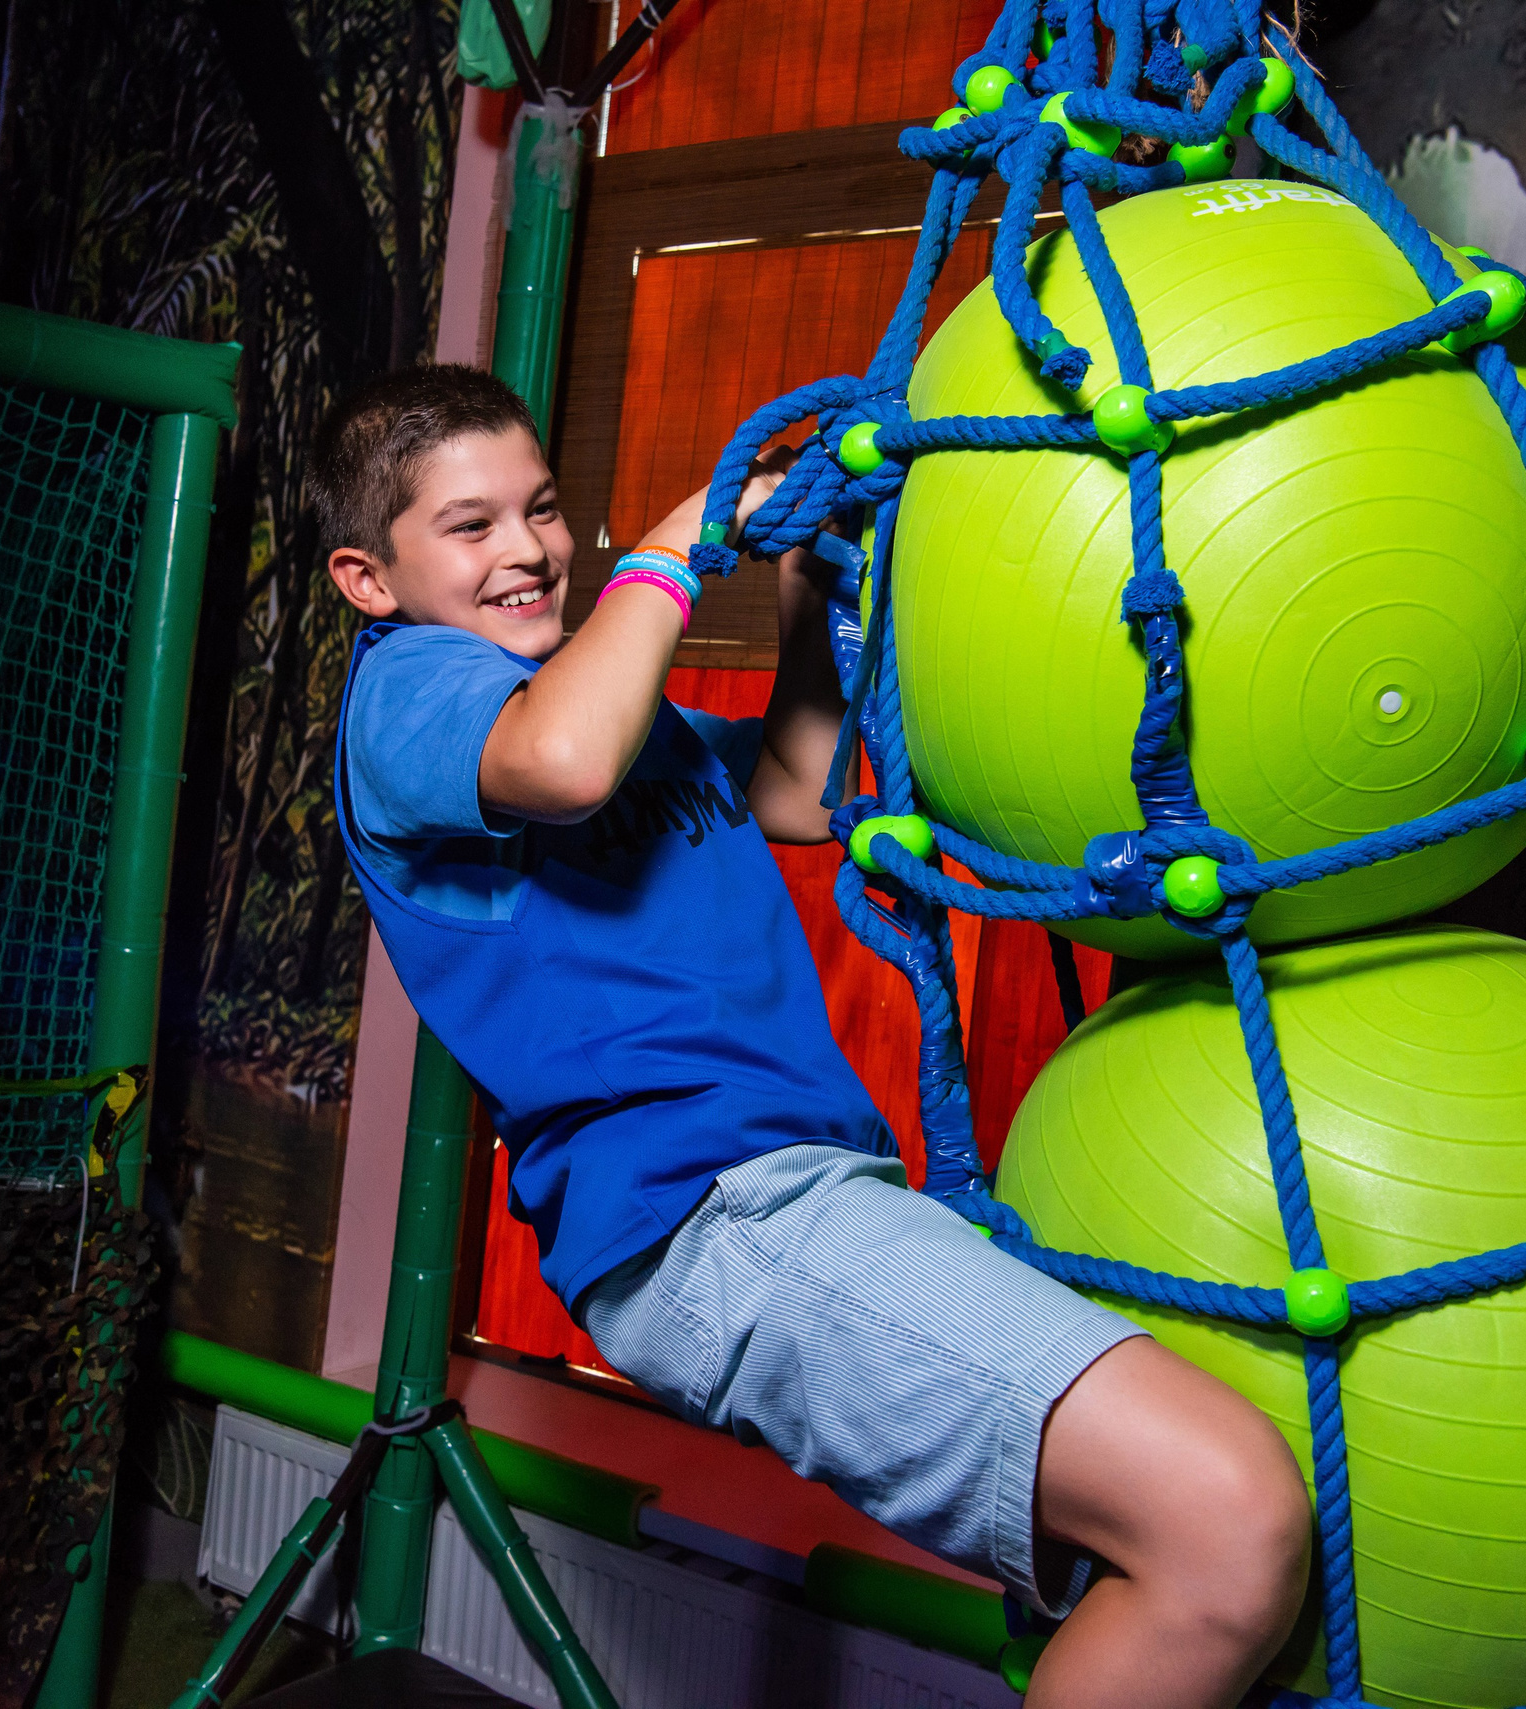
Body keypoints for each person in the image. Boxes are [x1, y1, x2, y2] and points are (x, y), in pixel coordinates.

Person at [318, 363, 1311, 1709]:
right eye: (471, 525)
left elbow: (795, 786)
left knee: (1197, 1521)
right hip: (708, 1214)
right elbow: (562, 761)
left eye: (542, 508)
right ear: (369, 580)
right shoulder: (409, 691)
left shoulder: (613, 711)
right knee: (1225, 1524)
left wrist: (804, 579)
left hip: (792, 1189)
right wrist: (682, 538)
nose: (531, 548)